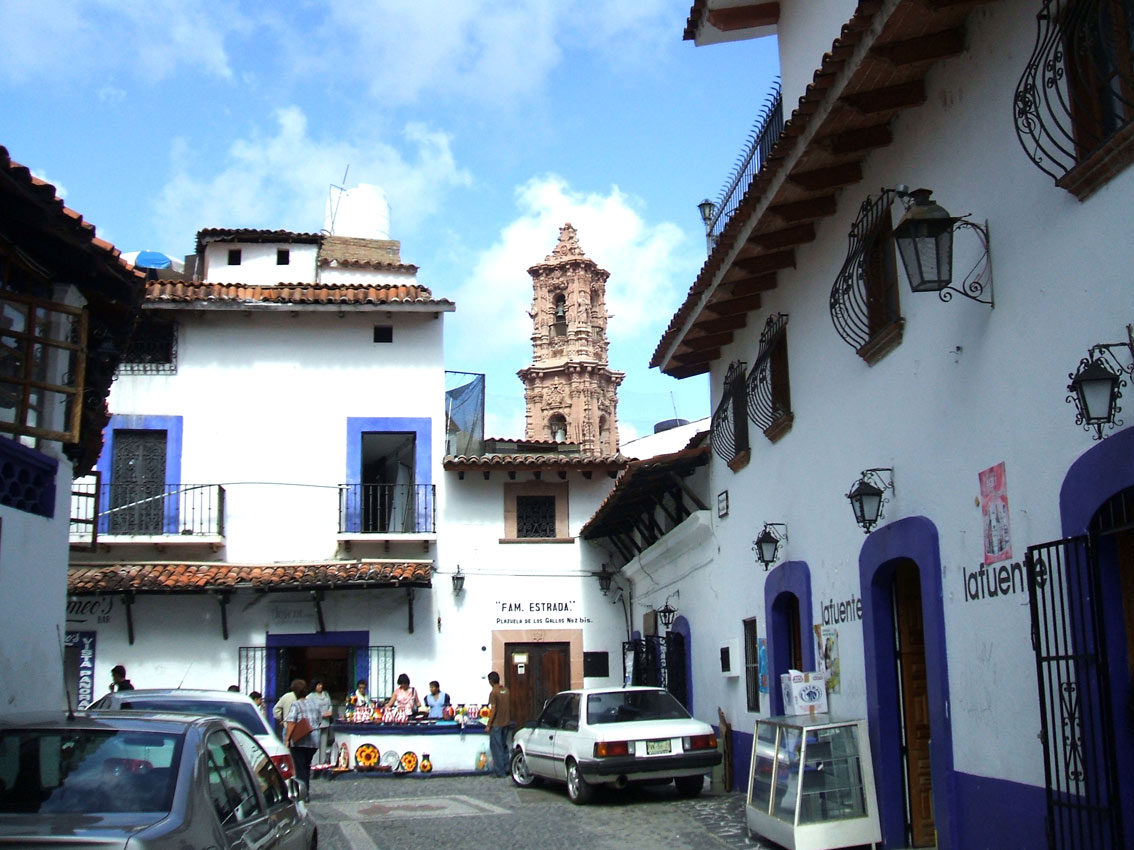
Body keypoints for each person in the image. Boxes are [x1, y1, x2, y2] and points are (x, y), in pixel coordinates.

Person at [284, 679, 322, 802]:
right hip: (314, 740)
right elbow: (319, 720)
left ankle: (302, 794)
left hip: (300, 740)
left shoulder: (296, 705)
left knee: (300, 768)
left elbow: (291, 722)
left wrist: (287, 739)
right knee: (306, 766)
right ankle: (306, 792)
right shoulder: (314, 703)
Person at [485, 671, 514, 777]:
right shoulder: (506, 690)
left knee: (497, 748)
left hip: (497, 723)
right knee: (504, 746)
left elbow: (493, 709)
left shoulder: (494, 692)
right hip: (506, 722)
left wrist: (489, 724)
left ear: (491, 681)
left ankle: (499, 771)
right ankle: (506, 768)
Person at [307, 678, 334, 765]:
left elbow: (330, 705)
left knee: (323, 743)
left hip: (325, 722)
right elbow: (309, 709)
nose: (320, 686)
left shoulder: (325, 694)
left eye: (321, 685)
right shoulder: (310, 696)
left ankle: (322, 762)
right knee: (316, 744)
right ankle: (315, 763)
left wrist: (329, 712)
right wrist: (321, 714)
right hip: (316, 723)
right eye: (318, 685)